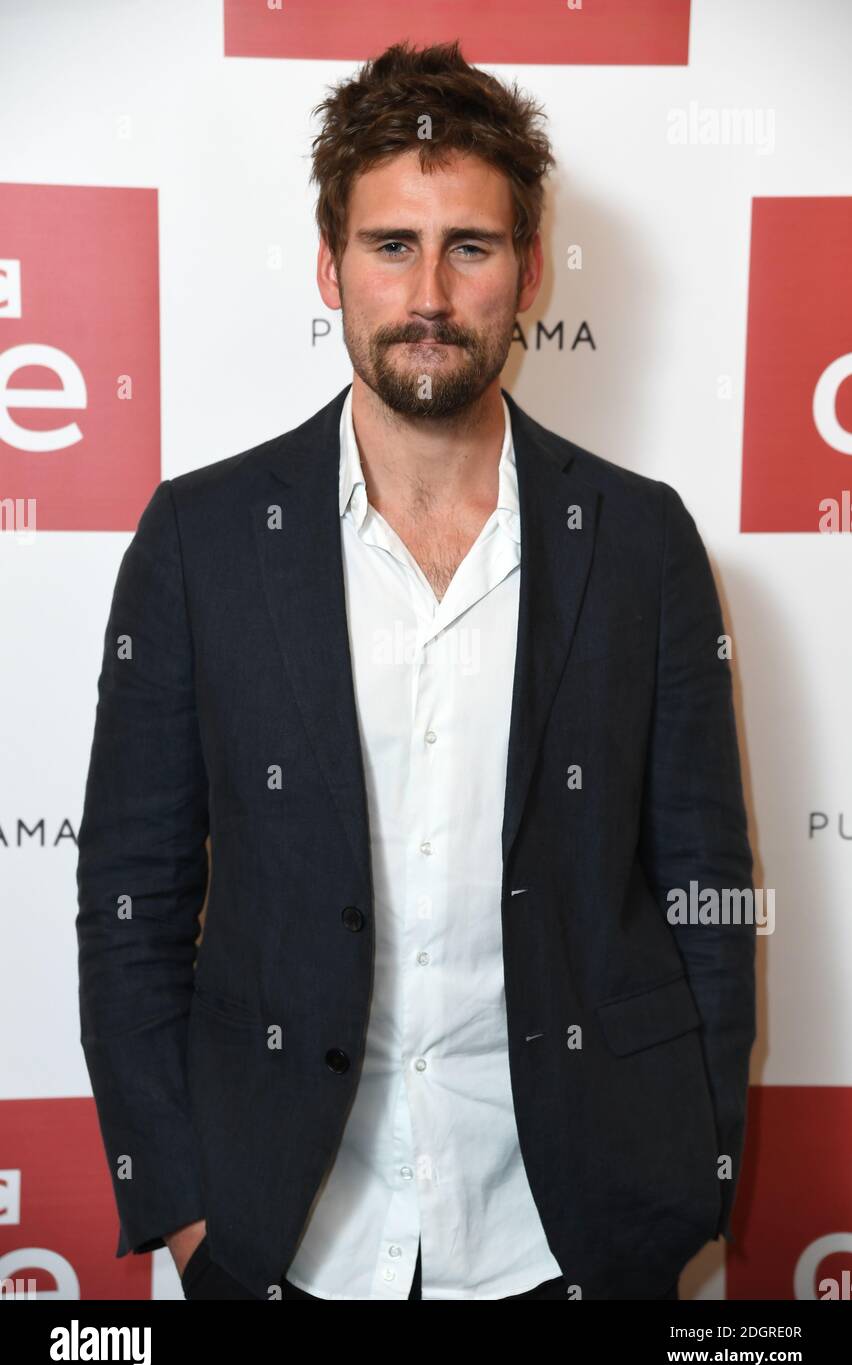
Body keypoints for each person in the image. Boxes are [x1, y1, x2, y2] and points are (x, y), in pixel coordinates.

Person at [76, 39, 756, 1301]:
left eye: (472, 247)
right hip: (284, 1239)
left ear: (531, 271)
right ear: (331, 264)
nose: (430, 292)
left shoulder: (643, 540)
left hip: (569, 1245)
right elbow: (131, 900)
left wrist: (689, 1187)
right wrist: (182, 1211)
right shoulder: (201, 540)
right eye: (393, 244)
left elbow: (708, 895)